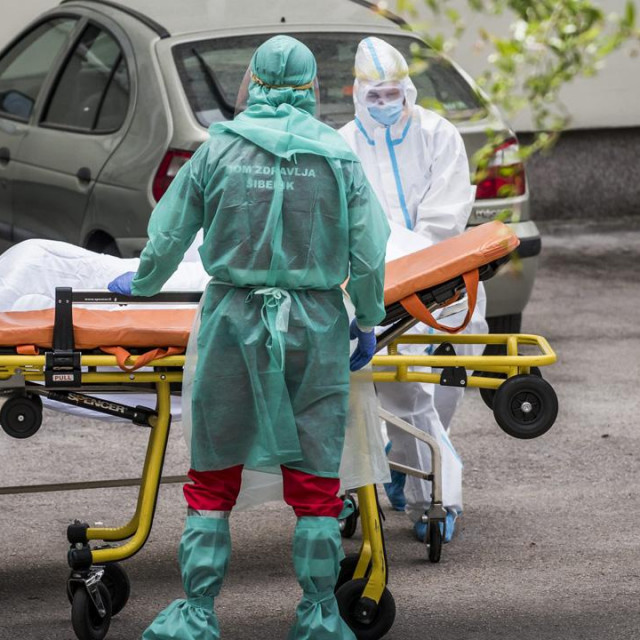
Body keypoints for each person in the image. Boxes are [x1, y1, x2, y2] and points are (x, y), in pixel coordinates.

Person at [108, 35, 389, 640]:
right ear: (312, 87)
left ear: (252, 83)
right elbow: (368, 252)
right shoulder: (338, 157)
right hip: (315, 330)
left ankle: (197, 614)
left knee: (213, 470)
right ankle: (318, 615)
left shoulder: (217, 152)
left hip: (232, 324)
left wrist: (146, 282)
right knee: (316, 479)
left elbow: (169, 233)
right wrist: (366, 316)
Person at [339, 37, 489, 543]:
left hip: (441, 281)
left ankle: (406, 464)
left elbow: (445, 216)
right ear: (357, 94)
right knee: (393, 387)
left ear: (408, 91)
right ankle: (428, 488)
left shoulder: (438, 135)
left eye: (391, 95)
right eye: (374, 96)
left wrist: (413, 266)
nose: (384, 105)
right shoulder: (342, 145)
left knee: (442, 384)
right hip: (369, 286)